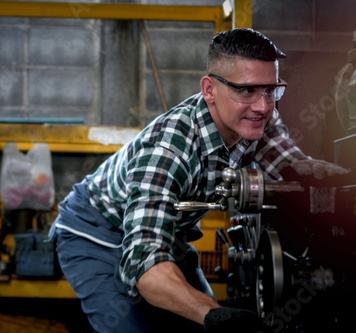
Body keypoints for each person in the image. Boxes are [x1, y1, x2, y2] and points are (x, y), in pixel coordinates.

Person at [49, 28, 348, 333]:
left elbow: (288, 162)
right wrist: (212, 313)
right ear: (209, 90)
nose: (262, 106)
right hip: (97, 232)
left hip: (166, 234)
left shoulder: (254, 116)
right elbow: (146, 260)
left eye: (271, 90)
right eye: (246, 91)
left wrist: (329, 175)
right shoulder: (168, 150)